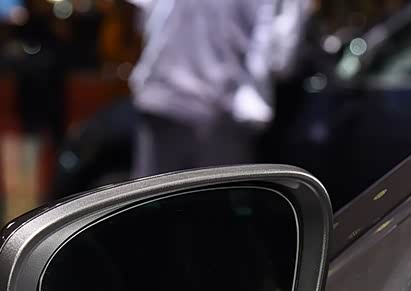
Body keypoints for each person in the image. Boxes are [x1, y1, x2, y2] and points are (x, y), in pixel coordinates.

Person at [129, 0, 312, 179]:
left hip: (161, 100)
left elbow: (141, 22)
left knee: (152, 195)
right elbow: (280, 61)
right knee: (216, 196)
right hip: (222, 112)